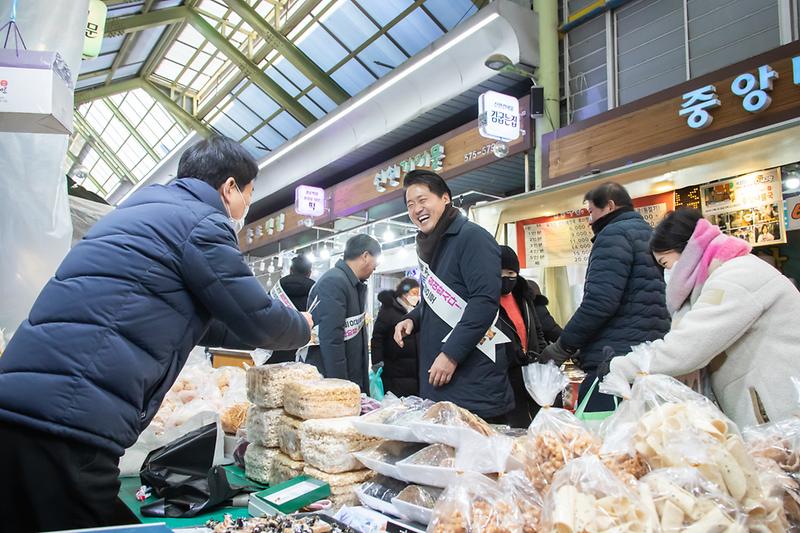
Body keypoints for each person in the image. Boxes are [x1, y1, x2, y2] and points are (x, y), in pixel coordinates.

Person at [0, 136, 312, 533]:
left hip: (20, 406)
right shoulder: (203, 222)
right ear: (229, 187)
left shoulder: (140, 211)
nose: (246, 208)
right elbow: (259, 318)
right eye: (249, 195)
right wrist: (303, 327)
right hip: (70, 421)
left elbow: (206, 318)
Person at [606, 208, 800, 427]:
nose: (668, 273)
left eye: (664, 263)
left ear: (688, 251)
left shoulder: (736, 276)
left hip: (782, 414)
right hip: (776, 414)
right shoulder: (726, 272)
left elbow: (688, 347)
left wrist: (622, 366)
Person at [539, 182, 670, 412]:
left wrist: (563, 347)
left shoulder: (612, 234)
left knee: (607, 438)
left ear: (609, 206)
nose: (589, 221)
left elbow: (599, 303)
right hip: (647, 355)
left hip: (614, 360)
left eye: (591, 212)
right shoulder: (648, 233)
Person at [394, 170, 514, 422]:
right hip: (441, 382)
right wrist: (413, 319)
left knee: (473, 459)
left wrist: (451, 355)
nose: (417, 209)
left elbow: (484, 301)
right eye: (410, 204)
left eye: (423, 200)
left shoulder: (472, 238)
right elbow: (435, 299)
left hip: (472, 379)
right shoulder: (432, 244)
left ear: (445, 198)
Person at [306, 234, 381, 392]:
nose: (376, 268)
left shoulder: (352, 283)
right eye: (376, 261)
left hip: (350, 377)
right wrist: (340, 387)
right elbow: (331, 339)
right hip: (333, 383)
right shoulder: (334, 282)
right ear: (365, 256)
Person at [497, 246, 548, 428]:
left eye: (510, 272)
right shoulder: (486, 300)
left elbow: (537, 329)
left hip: (533, 370)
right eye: (500, 272)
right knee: (517, 429)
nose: (505, 277)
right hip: (507, 376)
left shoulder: (523, 296)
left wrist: (540, 355)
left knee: (542, 425)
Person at [371, 278, 421, 398]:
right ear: (404, 293)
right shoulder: (388, 310)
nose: (416, 296)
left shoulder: (417, 311)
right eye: (414, 293)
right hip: (394, 368)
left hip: (414, 369)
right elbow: (377, 338)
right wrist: (377, 364)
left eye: (418, 293)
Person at [270, 255, 316, 363]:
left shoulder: (275, 291)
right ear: (309, 272)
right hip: (305, 357)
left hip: (275, 352)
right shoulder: (316, 293)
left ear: (290, 270)